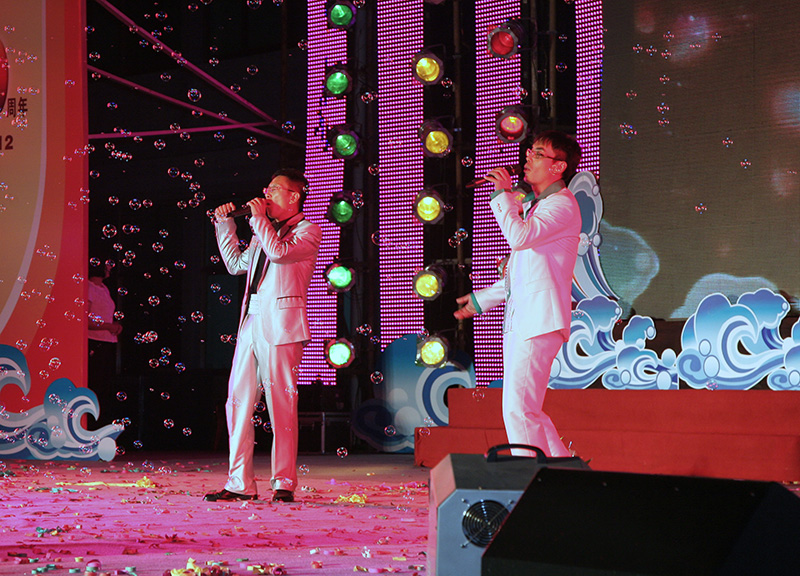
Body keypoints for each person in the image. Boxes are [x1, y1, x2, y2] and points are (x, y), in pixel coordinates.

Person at [454, 130, 582, 457]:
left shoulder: (562, 204)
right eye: (529, 152)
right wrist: (482, 300)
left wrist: (502, 195)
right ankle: (567, 471)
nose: (528, 158)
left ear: (558, 167)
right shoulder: (538, 206)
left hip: (538, 319)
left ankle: (529, 476)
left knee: (518, 409)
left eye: (538, 154)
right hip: (525, 318)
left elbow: (520, 238)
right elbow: (527, 274)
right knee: (527, 409)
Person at [204, 168, 321, 503]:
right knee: (237, 401)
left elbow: (279, 253)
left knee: (281, 404)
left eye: (274, 188)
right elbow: (235, 264)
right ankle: (239, 482)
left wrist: (258, 220)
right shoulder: (262, 231)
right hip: (251, 322)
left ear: (294, 195)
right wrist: (224, 224)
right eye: (266, 188)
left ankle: (283, 482)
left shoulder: (308, 231)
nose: (267, 193)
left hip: (282, 325)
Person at [87, 260, 123, 424]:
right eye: (106, 264)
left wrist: (113, 325)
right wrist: (108, 326)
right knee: (97, 384)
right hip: (95, 342)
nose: (109, 267)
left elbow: (102, 316)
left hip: (108, 341)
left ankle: (102, 423)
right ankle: (92, 423)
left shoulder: (104, 288)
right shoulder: (89, 288)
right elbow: (86, 321)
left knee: (105, 386)